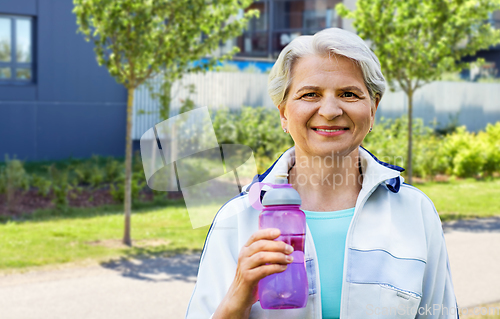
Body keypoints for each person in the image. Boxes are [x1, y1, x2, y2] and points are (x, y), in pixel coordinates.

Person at [185, 28, 458, 319]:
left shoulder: (416, 212)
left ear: (373, 108)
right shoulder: (239, 218)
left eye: (349, 94)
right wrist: (237, 297)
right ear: (283, 113)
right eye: (310, 94)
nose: (329, 110)